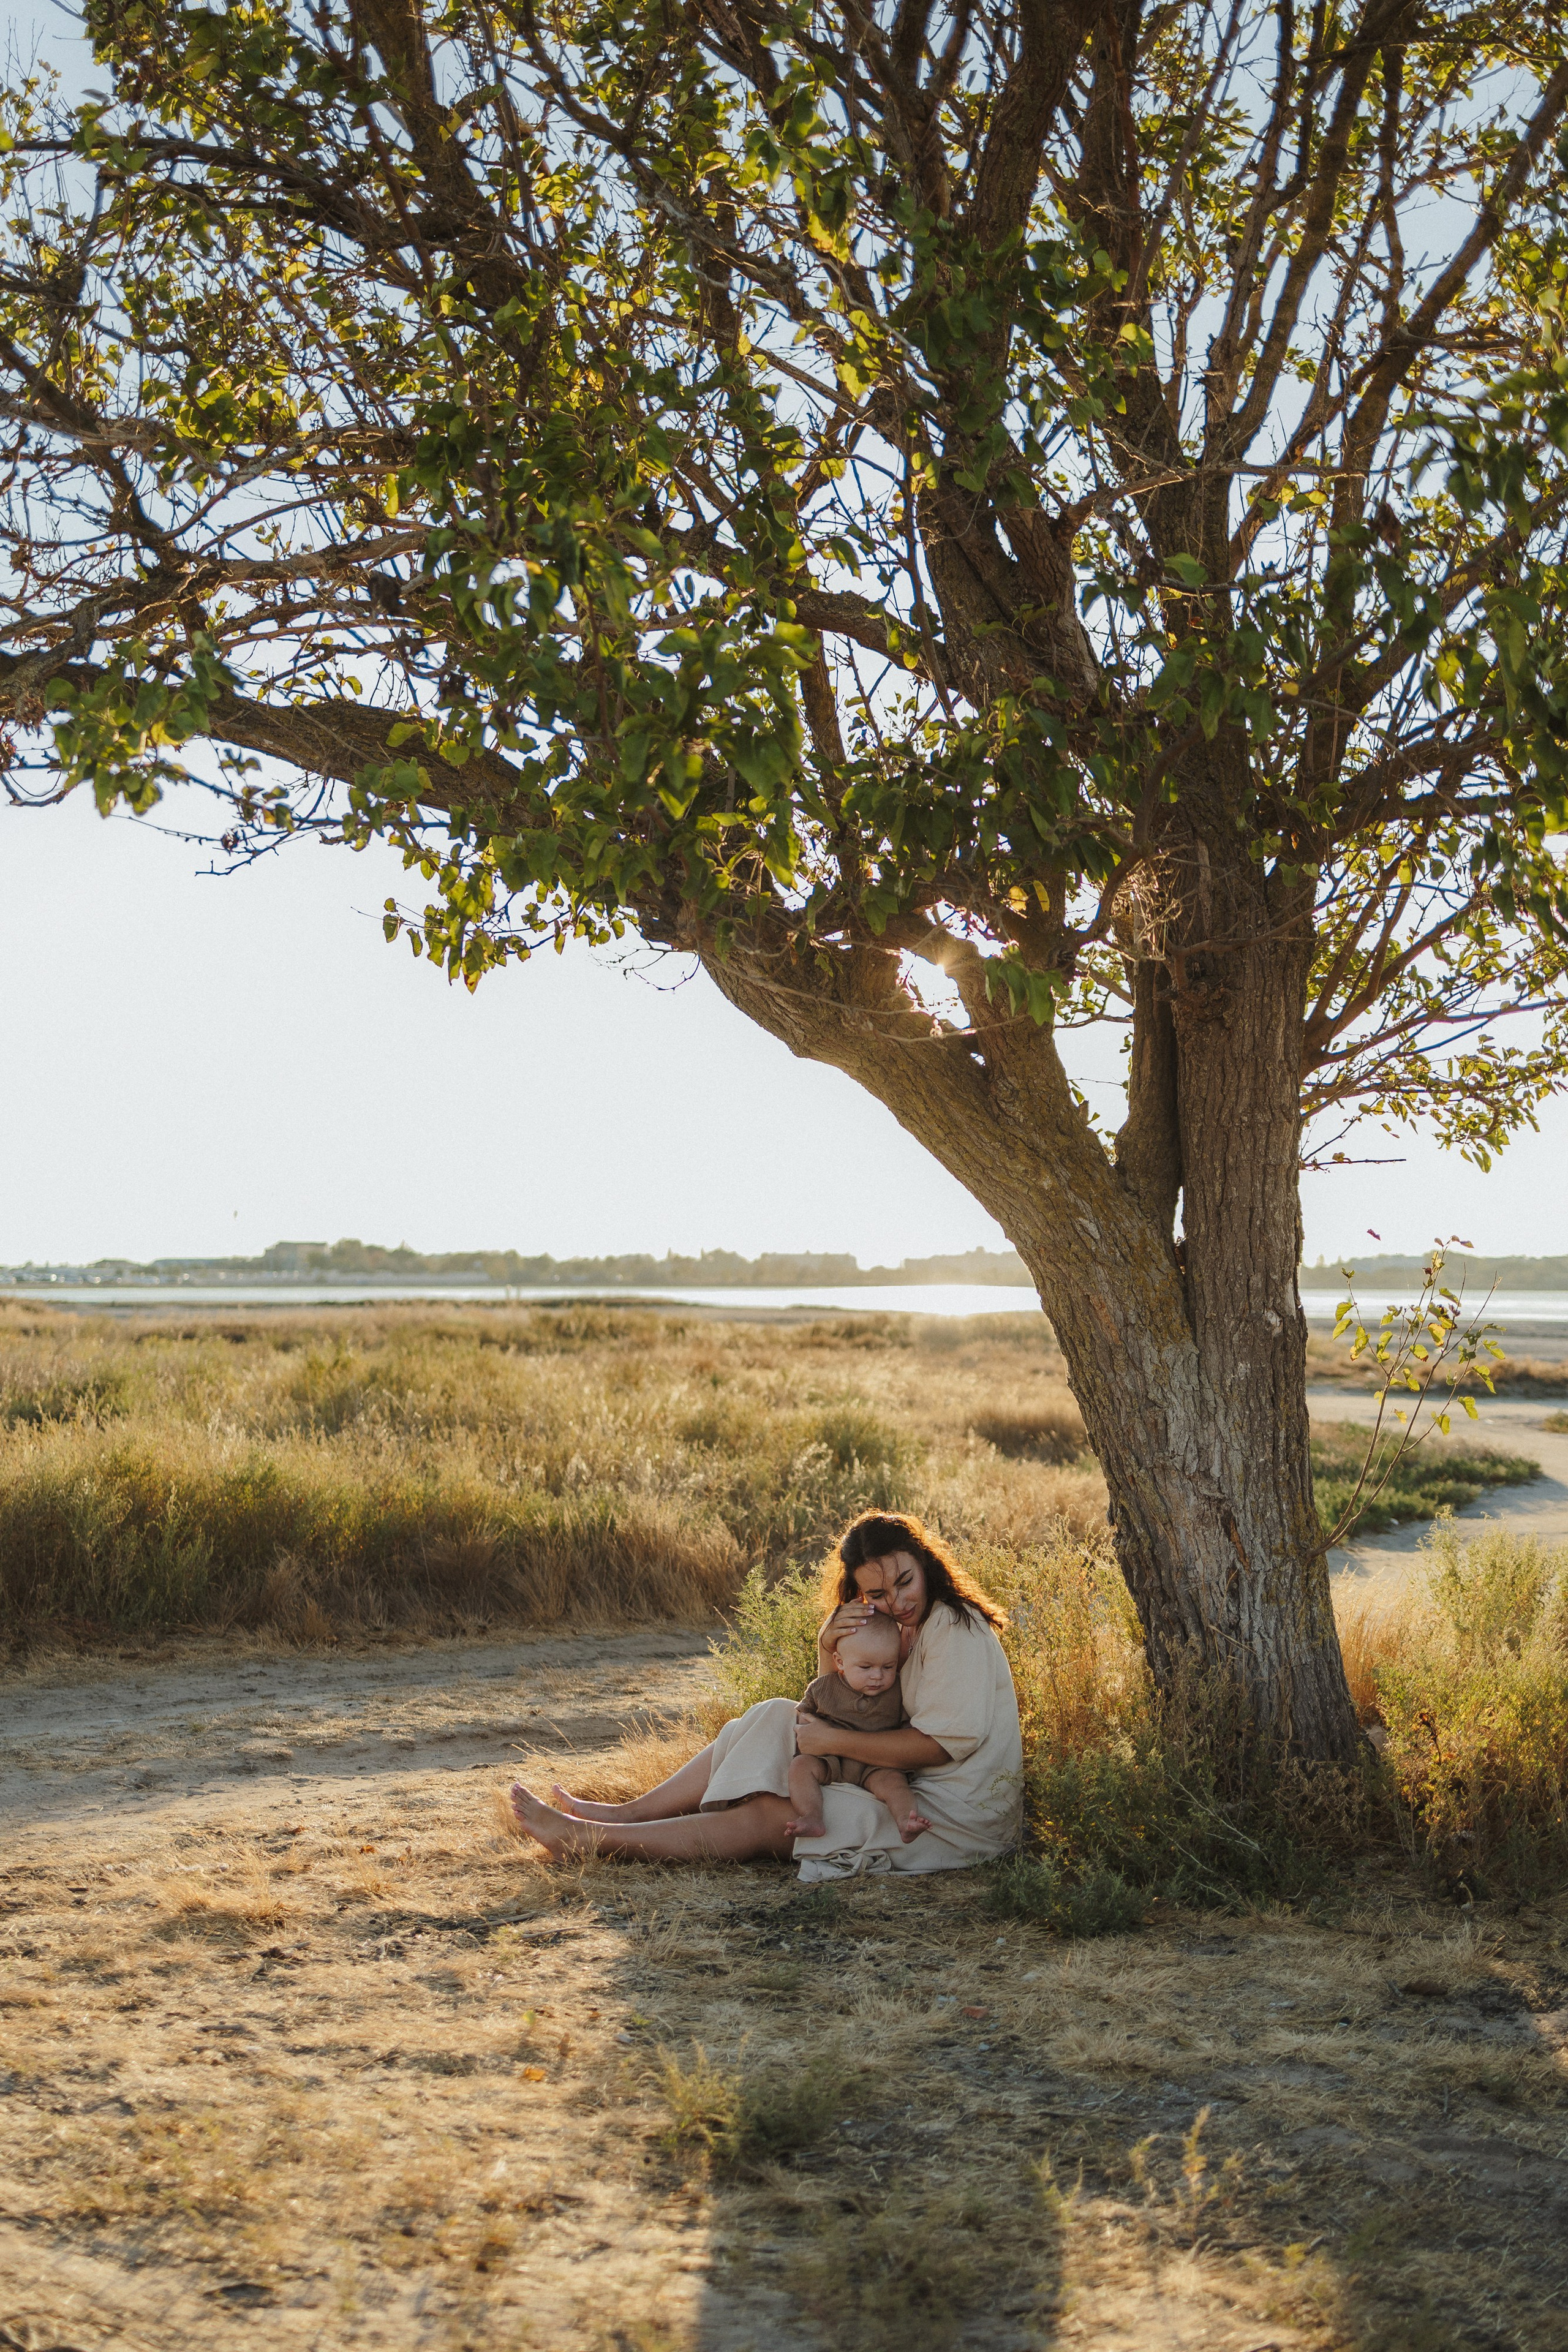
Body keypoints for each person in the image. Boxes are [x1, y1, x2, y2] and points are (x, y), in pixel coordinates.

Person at [508, 1510, 1023, 1880]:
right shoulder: (892, 1626)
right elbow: (839, 1704)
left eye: (905, 1582)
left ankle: (590, 1841)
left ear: (926, 1564)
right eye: (877, 1594)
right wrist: (830, 1645)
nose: (897, 1600)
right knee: (772, 1716)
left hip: (951, 1817)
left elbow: (934, 1747)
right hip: (903, 1783)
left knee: (775, 1817)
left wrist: (828, 1743)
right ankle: (630, 1813)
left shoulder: (955, 1629)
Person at [785, 1609, 929, 1844]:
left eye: (888, 1667)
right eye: (866, 1668)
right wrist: (812, 1733)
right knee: (801, 1767)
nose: (877, 1676)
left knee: (895, 1783)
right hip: (831, 1760)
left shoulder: (899, 1691)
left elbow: (908, 1727)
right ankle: (812, 1815)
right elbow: (804, 1715)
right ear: (840, 1662)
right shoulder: (824, 1686)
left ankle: (906, 1821)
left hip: (876, 1765)